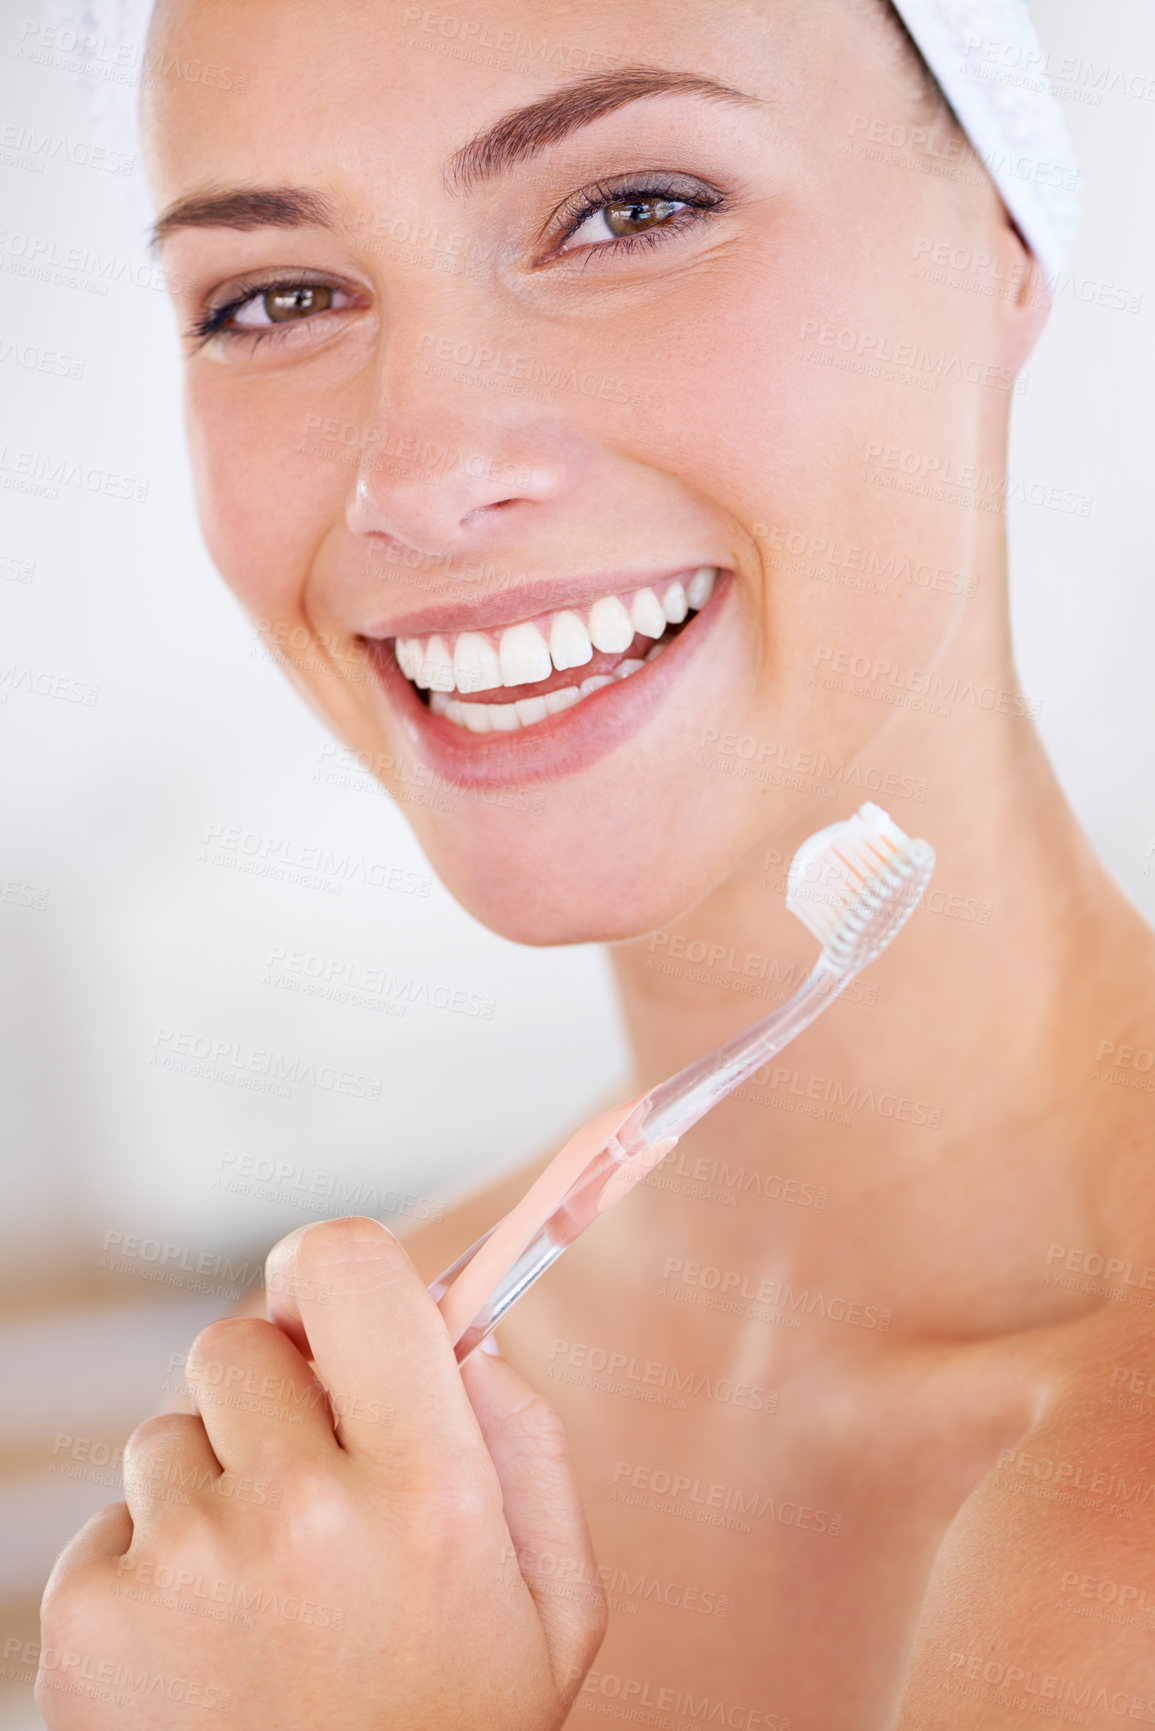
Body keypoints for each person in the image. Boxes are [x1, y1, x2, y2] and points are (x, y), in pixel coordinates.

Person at [38, 0, 1155, 1724]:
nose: (417, 474)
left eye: (633, 210)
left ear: (1006, 233)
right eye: (275, 296)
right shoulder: (342, 1449)